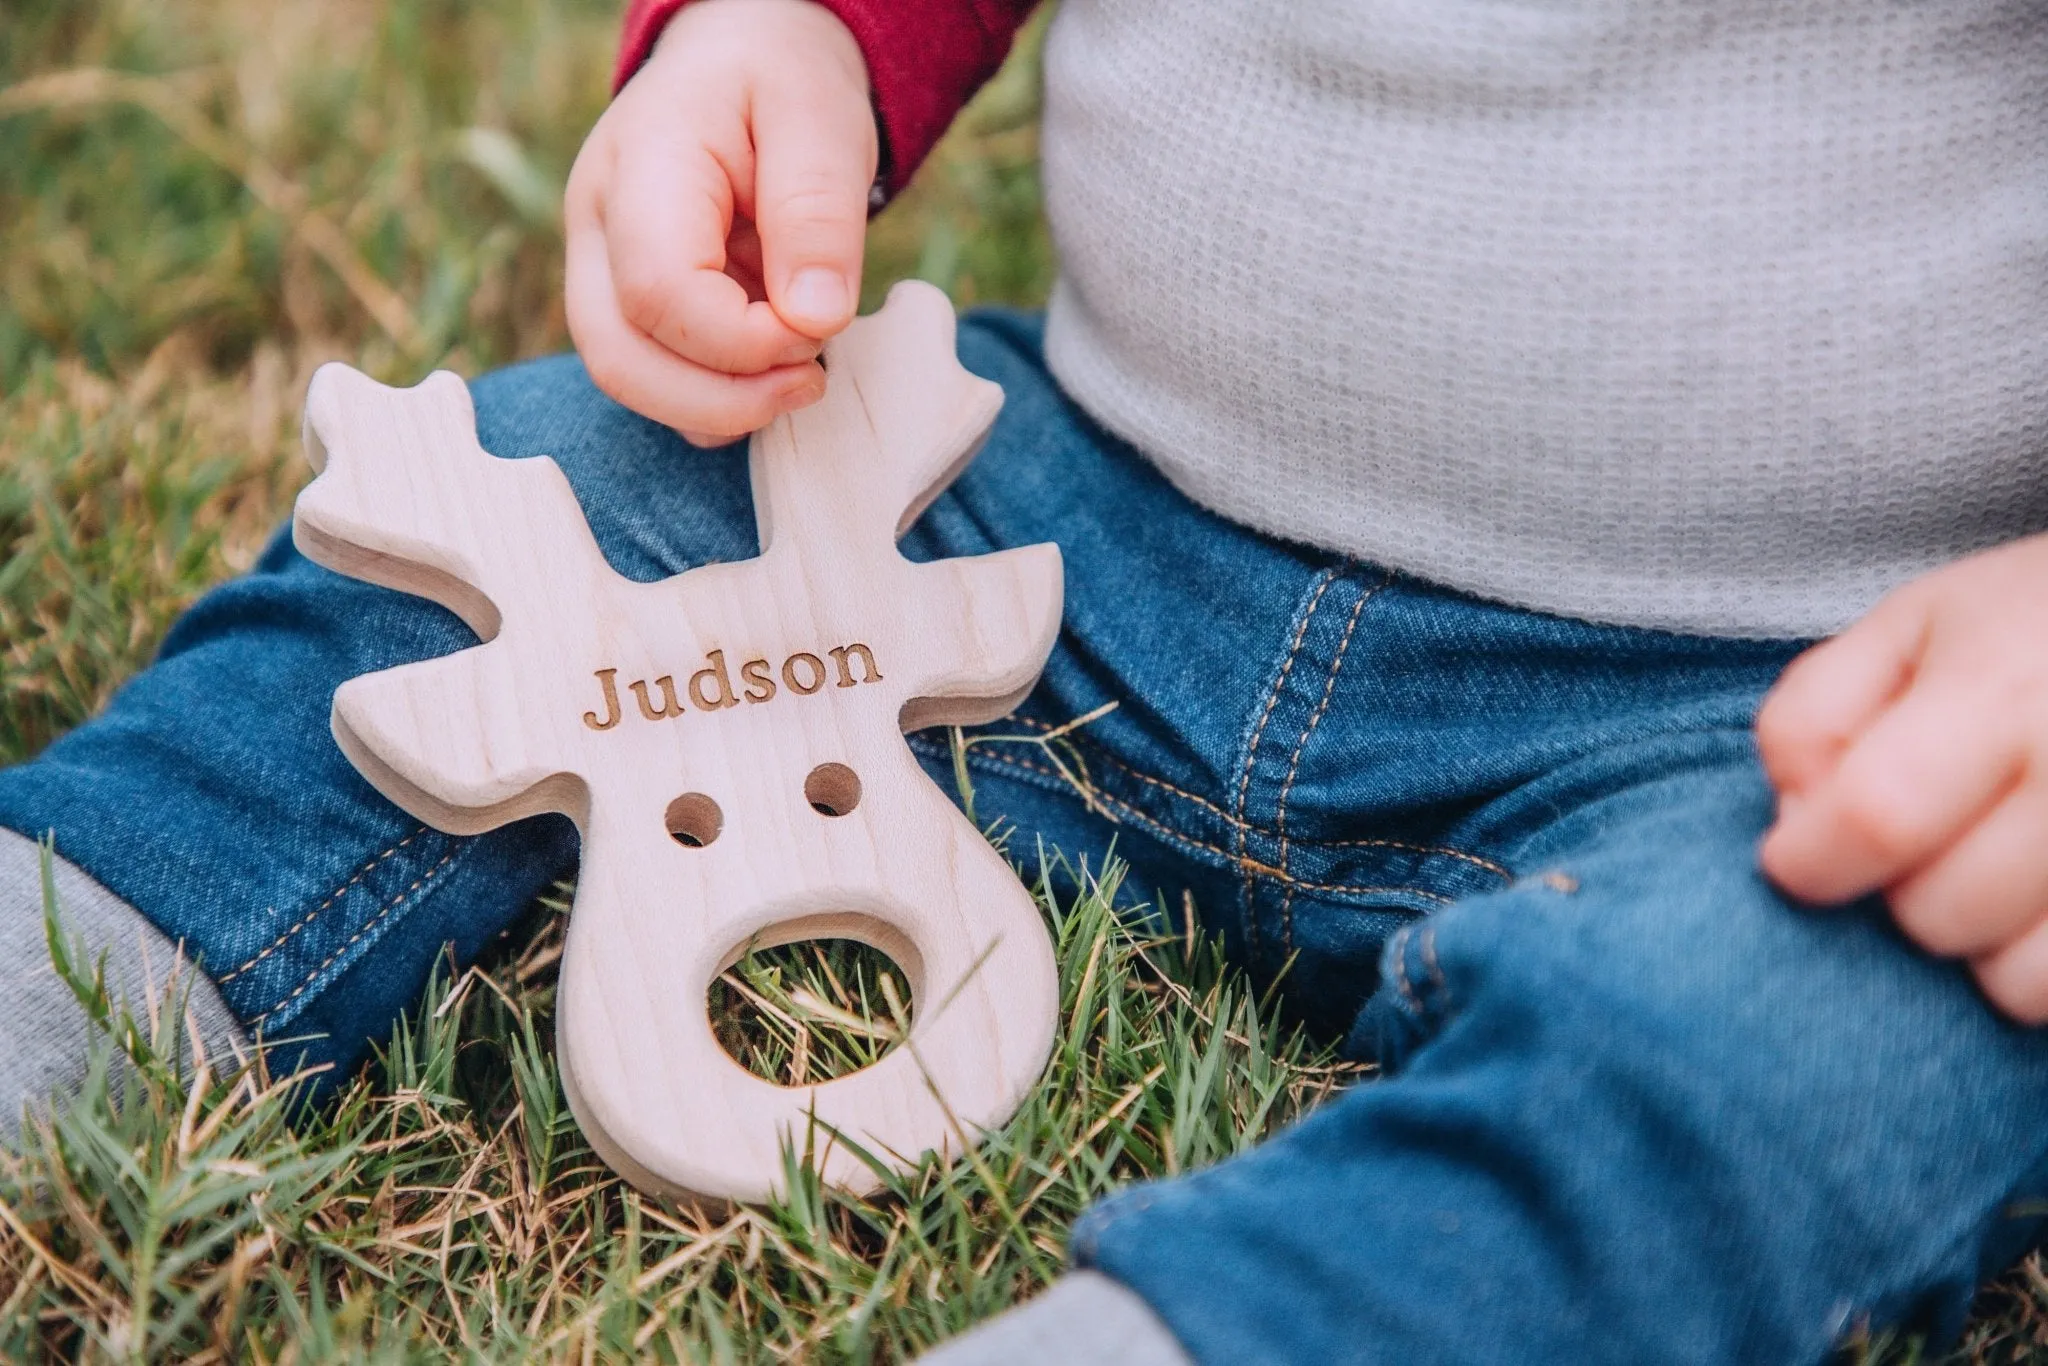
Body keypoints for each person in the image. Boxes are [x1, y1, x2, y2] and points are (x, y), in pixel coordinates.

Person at [7, 0, 2048, 1360]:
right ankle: (78, 947)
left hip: (1808, 695)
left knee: (1848, 1006)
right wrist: (792, 35)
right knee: (541, 515)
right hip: (1064, 513)